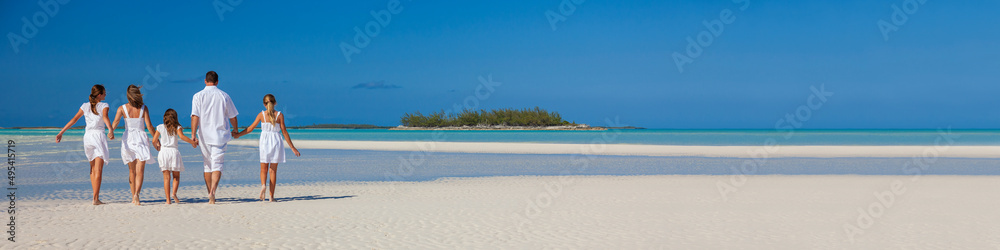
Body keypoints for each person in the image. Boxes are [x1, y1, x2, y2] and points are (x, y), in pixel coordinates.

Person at [234, 94, 301, 202]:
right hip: (276, 141)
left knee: (263, 169)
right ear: (275, 103)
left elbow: (250, 128)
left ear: (264, 104)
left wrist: (238, 135)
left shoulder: (261, 115)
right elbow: (284, 132)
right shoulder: (279, 115)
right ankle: (271, 197)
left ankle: (263, 186)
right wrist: (293, 147)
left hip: (265, 141)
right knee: (273, 171)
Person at [55, 84, 112, 205]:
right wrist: (111, 130)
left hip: (88, 138)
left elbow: (74, 119)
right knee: (98, 169)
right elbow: (106, 118)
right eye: (104, 92)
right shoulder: (104, 105)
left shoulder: (85, 106)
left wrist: (61, 132)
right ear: (100, 95)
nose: (106, 94)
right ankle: (96, 198)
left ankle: (95, 197)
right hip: (98, 136)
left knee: (92, 168)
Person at [190, 71, 238, 204]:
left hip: (204, 135)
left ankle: (209, 192)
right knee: (217, 164)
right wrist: (235, 130)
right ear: (217, 82)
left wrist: (193, 135)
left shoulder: (197, 96)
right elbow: (233, 116)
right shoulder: (224, 96)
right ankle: (213, 191)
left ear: (205, 81)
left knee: (207, 165)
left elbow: (195, 116)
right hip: (220, 135)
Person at [110, 85, 157, 206]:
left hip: (128, 138)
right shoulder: (143, 108)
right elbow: (150, 126)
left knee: (132, 170)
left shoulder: (122, 108)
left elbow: (115, 122)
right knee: (140, 170)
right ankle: (137, 194)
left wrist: (111, 132)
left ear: (128, 95)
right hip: (141, 138)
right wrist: (156, 140)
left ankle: (133, 196)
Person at [151, 109, 198, 205]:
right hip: (173, 152)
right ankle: (174, 194)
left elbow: (154, 140)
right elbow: (182, 137)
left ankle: (168, 200)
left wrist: (157, 148)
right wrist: (193, 142)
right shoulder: (177, 127)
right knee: (176, 176)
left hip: (163, 152)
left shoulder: (160, 127)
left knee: (166, 177)